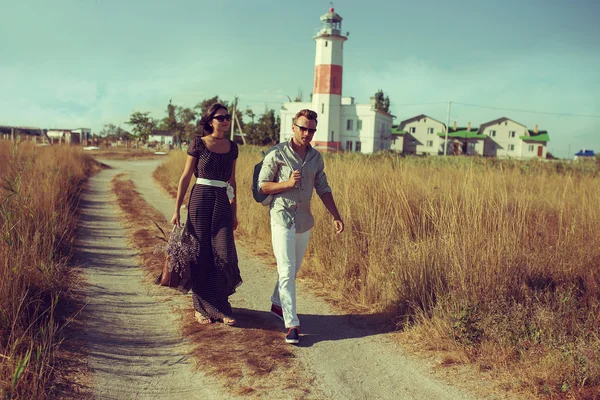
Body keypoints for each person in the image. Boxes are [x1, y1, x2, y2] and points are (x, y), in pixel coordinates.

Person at [258, 109, 344, 344]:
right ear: (293, 127)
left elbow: (323, 188)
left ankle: (278, 304)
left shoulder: (316, 158)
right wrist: (287, 183)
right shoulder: (277, 153)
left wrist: (336, 215)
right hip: (281, 216)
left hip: (304, 220)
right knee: (286, 270)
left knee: (292, 270)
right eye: (303, 128)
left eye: (312, 130)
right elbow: (262, 186)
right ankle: (291, 324)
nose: (307, 133)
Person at [171, 103, 242, 326]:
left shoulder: (232, 147)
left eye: (227, 117)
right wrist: (176, 209)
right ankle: (200, 307)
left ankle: (220, 306)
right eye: (220, 117)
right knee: (200, 253)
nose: (225, 120)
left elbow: (232, 181)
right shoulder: (198, 144)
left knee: (224, 253)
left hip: (221, 200)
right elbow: (185, 177)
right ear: (210, 121)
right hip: (200, 199)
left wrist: (234, 210)